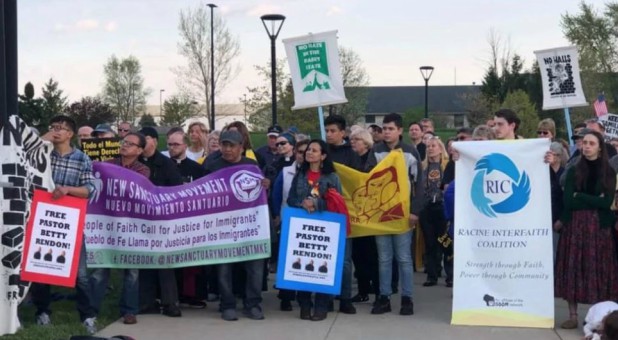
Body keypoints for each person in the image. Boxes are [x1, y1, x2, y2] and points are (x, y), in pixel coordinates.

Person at [34, 115, 98, 333]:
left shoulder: (82, 159)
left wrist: (68, 190)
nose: (55, 132)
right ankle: (42, 311)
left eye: (60, 128)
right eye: (52, 127)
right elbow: (27, 152)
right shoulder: (43, 153)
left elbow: (90, 189)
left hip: (70, 222)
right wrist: (45, 137)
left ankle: (87, 316)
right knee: (40, 267)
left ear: (70, 134)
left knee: (80, 274)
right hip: (43, 220)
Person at [554, 130, 618, 329]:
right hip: (575, 225)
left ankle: (598, 315)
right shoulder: (574, 169)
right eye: (584, 143)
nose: (587, 146)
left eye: (591, 143)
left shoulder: (608, 171)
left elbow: (606, 201)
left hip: (599, 226)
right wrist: (592, 200)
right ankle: (573, 315)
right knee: (572, 267)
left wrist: (580, 197)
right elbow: (567, 200)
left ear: (600, 147)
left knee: (597, 269)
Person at [204, 130, 268, 321]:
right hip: (223, 227)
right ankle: (227, 304)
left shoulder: (252, 166)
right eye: (224, 144)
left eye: (232, 145)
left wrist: (266, 184)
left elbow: (261, 192)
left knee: (255, 267)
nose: (227, 149)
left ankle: (253, 303)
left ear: (241, 147)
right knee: (224, 268)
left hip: (250, 226)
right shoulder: (213, 166)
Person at [366, 113, 423, 316]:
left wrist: (415, 211)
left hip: (403, 214)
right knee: (384, 258)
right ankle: (384, 297)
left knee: (404, 258)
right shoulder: (376, 151)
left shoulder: (410, 152)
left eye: (391, 129)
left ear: (400, 130)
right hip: (382, 215)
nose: (387, 132)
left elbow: (420, 184)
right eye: (384, 129)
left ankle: (407, 299)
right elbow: (368, 180)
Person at [90, 132, 150, 325]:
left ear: (140, 150)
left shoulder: (143, 170)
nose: (125, 145)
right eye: (124, 142)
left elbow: (133, 189)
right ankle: (91, 310)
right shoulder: (107, 164)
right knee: (100, 269)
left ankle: (129, 310)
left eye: (130, 144)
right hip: (106, 225)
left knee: (132, 271)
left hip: (131, 228)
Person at [287, 139, 342, 321]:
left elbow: (338, 203)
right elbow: (291, 199)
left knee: (321, 266)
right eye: (308, 150)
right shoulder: (300, 175)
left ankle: (321, 306)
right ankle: (304, 304)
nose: (309, 153)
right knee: (302, 263)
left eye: (315, 150)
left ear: (323, 156)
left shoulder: (332, 177)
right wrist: (302, 204)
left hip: (325, 229)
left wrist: (317, 203)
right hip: (302, 227)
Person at [138, 127, 184, 318]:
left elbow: (176, 191)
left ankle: (170, 302)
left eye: (146, 138)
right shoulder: (135, 163)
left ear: (155, 141)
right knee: (143, 262)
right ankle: (147, 301)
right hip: (140, 221)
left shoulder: (166, 164)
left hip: (162, 220)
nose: (142, 142)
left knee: (165, 264)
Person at [324, 114, 359, 314]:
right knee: (327, 256)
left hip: (344, 212)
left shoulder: (351, 155)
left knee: (345, 260)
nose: (329, 134)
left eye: (333, 131)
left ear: (342, 133)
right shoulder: (322, 152)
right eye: (327, 131)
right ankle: (327, 297)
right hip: (325, 211)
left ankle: (345, 298)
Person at [272, 139, 310, 311]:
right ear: (295, 152)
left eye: (307, 151)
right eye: (300, 152)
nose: (304, 155)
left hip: (309, 223)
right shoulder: (286, 171)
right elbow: (277, 194)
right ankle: (286, 296)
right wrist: (276, 215)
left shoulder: (316, 173)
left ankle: (305, 296)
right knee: (286, 259)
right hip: (288, 219)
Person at [349, 128, 379, 303]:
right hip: (355, 213)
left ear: (366, 142)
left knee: (372, 254)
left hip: (370, 214)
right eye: (352, 140)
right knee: (358, 254)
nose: (353, 142)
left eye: (357, 140)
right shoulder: (351, 160)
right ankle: (362, 290)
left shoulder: (373, 160)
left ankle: (376, 288)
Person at [419, 136, 452, 288]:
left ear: (440, 148)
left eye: (434, 146)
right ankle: (432, 275)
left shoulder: (446, 165)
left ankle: (450, 275)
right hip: (427, 208)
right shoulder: (423, 167)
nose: (430, 148)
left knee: (445, 241)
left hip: (442, 206)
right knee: (430, 242)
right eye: (428, 146)